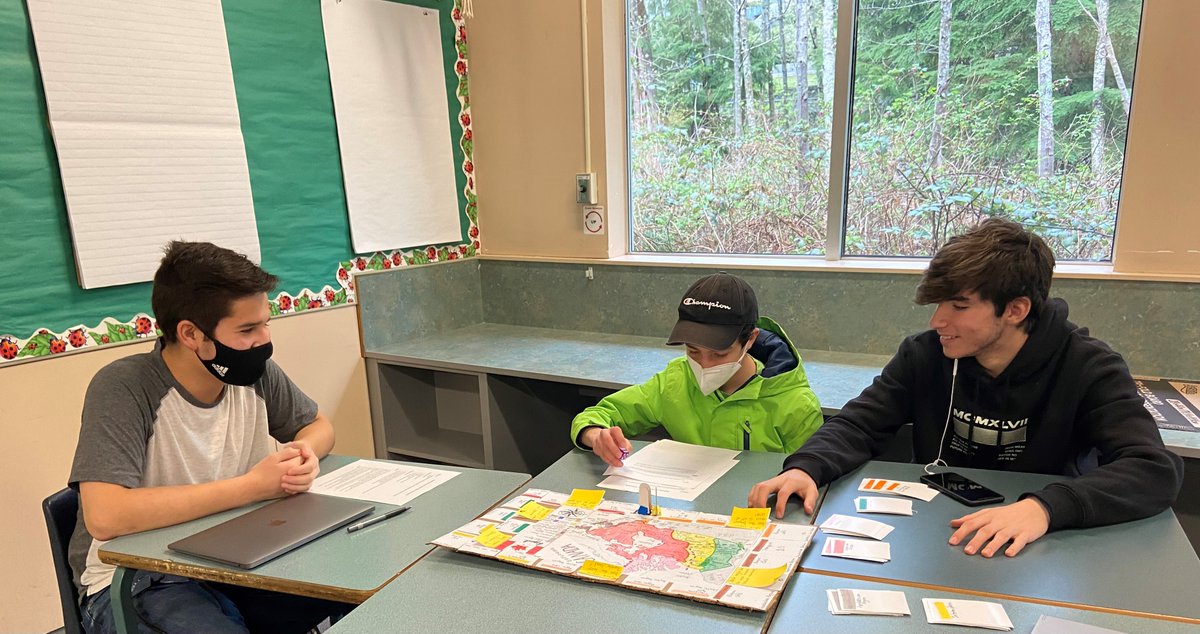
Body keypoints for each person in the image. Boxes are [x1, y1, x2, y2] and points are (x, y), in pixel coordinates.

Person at [749, 218, 1184, 558]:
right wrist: (806, 467)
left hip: (1037, 539)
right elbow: (860, 423)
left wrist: (1045, 509)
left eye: (959, 306)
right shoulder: (925, 353)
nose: (938, 321)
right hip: (936, 530)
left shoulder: (1089, 366)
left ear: (1015, 310)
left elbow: (1153, 468)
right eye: (939, 303)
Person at [68, 241, 346, 634]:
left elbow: (319, 427)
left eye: (266, 323)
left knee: (365, 595)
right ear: (191, 334)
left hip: (234, 558)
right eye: (247, 329)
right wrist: (252, 487)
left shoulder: (254, 373)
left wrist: (303, 454)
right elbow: (106, 516)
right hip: (138, 580)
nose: (264, 341)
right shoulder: (125, 387)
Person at [571, 272, 823, 467]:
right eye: (693, 351)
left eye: (719, 353)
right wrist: (596, 436)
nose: (704, 364)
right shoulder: (675, 381)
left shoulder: (794, 404)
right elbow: (600, 414)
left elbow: (813, 474)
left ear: (750, 340)